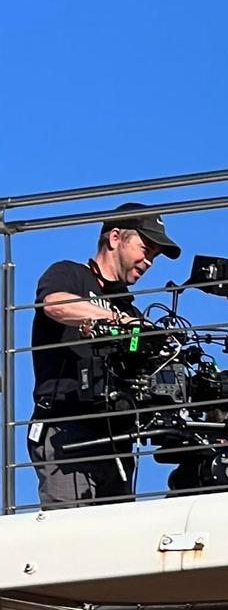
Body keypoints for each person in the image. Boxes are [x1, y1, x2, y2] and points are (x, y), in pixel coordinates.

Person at [27, 202, 181, 508]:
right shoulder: (69, 273)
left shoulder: (131, 309)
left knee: (115, 543)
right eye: (145, 248)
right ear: (114, 239)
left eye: (154, 255)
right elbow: (54, 304)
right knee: (69, 534)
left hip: (117, 437)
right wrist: (116, 321)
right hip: (67, 429)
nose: (149, 261)